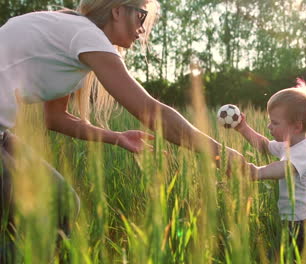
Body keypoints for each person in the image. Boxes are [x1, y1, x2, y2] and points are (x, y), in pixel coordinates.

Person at [0, 0, 244, 262]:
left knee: (61, 203)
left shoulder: (75, 36)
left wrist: (117, 137)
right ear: (117, 11)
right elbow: (152, 111)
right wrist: (218, 152)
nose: (142, 29)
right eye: (140, 16)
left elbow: (55, 117)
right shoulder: (86, 35)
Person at [234, 79, 306, 259]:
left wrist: (257, 172)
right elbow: (264, 146)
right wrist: (243, 128)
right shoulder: (287, 144)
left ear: (297, 126)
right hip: (293, 220)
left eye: (275, 123)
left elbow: (284, 168)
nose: (269, 126)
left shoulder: (303, 151)